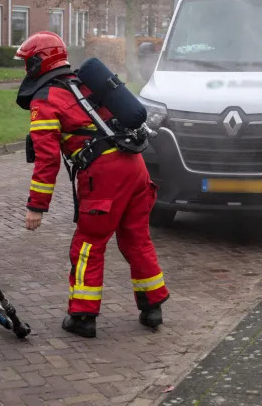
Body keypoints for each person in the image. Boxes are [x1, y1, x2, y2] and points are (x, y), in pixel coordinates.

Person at [15, 31, 169, 338]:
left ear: (39, 62)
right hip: (135, 167)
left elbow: (48, 161)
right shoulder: (85, 84)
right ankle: (153, 308)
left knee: (88, 244)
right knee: (136, 239)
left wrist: (36, 206)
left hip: (105, 176)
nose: (24, 69)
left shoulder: (45, 100)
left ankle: (83, 317)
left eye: (27, 62)